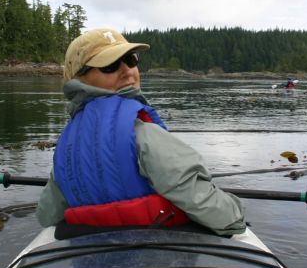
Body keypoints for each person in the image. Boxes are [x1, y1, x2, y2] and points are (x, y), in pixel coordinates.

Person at [36, 28, 246, 236]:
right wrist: (236, 209)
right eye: (110, 65)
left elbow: (47, 215)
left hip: (92, 251)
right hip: (156, 249)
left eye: (131, 59)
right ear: (79, 80)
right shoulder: (144, 134)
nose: (128, 71)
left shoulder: (67, 145)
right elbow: (225, 217)